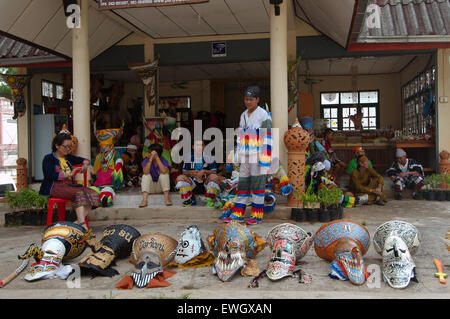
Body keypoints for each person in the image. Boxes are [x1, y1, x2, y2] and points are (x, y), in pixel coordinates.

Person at [224, 85, 272, 225]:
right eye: (246, 99)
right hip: (245, 155)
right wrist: (237, 154)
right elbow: (240, 135)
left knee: (258, 186)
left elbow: (268, 137)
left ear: (257, 99)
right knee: (243, 185)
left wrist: (265, 159)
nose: (248, 102)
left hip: (257, 155)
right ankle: (238, 214)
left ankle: (256, 216)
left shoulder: (264, 115)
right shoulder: (243, 115)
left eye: (251, 99)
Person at [39, 133, 99, 230]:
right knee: (80, 193)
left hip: (69, 186)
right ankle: (82, 225)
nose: (68, 149)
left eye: (70, 147)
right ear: (57, 146)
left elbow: (85, 160)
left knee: (94, 194)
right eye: (66, 146)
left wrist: (85, 165)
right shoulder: (48, 158)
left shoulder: (68, 157)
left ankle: (77, 223)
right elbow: (49, 175)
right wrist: (68, 175)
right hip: (55, 187)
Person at [175, 139, 220, 207]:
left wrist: (204, 171)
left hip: (206, 183)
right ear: (193, 147)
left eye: (202, 145)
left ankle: (210, 199)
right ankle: (189, 198)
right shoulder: (188, 156)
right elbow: (184, 172)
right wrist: (190, 172)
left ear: (204, 147)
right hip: (192, 184)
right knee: (180, 178)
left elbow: (214, 171)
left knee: (214, 177)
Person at [139, 143, 172, 207]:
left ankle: (167, 199)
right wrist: (150, 159)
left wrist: (157, 158)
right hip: (150, 188)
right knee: (145, 176)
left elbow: (164, 171)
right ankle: (144, 200)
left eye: (150, 153)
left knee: (164, 175)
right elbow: (145, 172)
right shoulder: (146, 160)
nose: (148, 154)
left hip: (161, 188)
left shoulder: (163, 160)